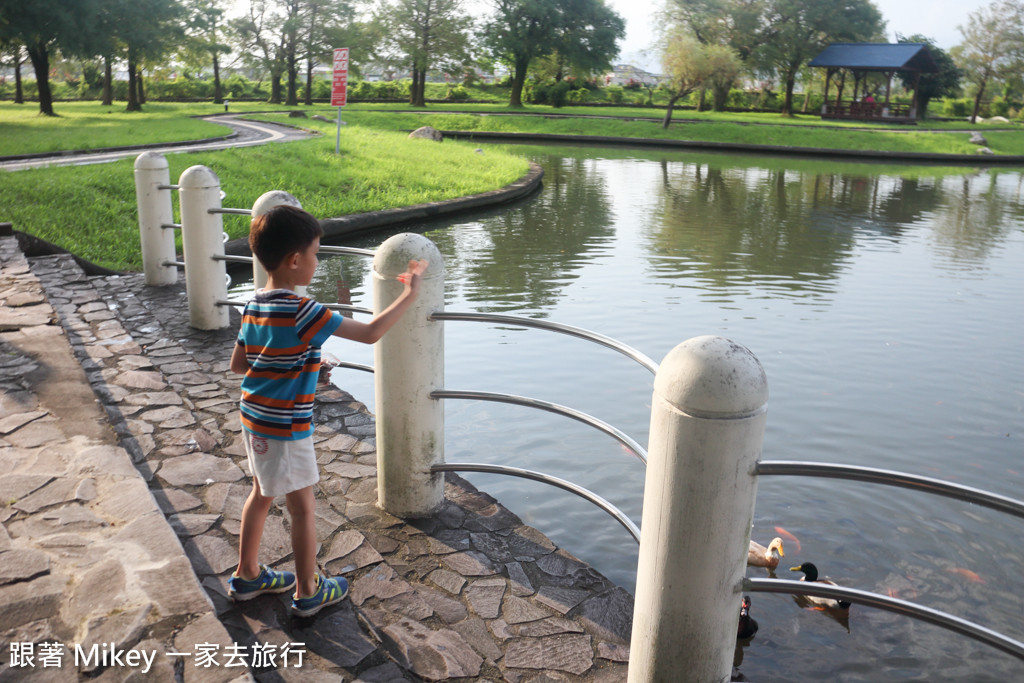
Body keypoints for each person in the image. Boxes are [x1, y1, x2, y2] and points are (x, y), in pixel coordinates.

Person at [227, 204, 428, 617]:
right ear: (296, 260)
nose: (317, 263)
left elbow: (241, 364)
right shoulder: (305, 311)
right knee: (302, 508)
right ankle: (308, 591)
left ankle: (248, 574)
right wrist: (409, 294)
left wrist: (299, 361)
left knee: (261, 493)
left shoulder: (254, 305)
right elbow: (370, 333)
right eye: (316, 254)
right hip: (286, 425)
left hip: (254, 416)